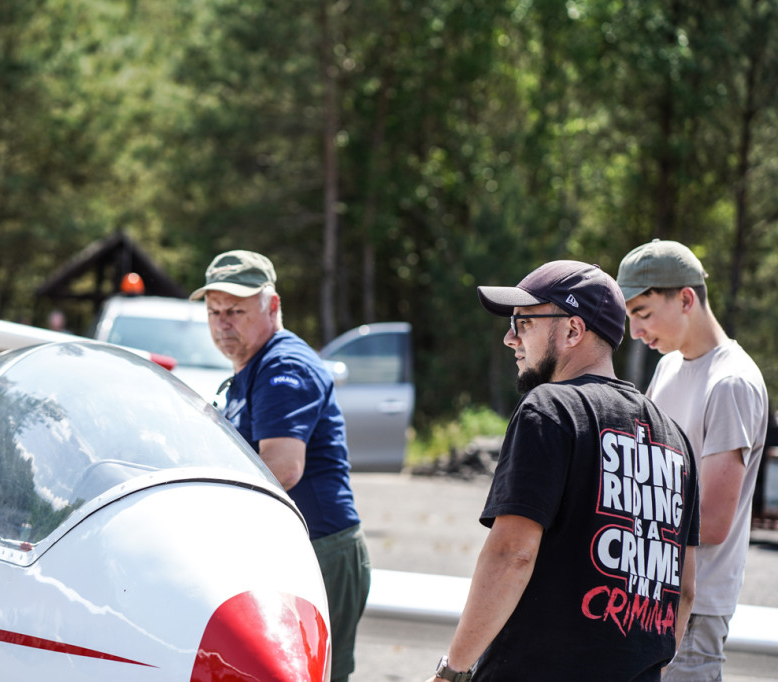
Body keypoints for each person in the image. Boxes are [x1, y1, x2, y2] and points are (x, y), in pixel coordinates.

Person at [426, 260, 700, 682]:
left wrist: (454, 671)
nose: (509, 338)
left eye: (524, 322)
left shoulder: (551, 408)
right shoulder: (676, 442)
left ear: (573, 330)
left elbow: (512, 554)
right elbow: (682, 592)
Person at [190, 250, 371, 682]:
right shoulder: (253, 368)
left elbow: (282, 468)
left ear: (272, 306)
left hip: (320, 548)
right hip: (291, 546)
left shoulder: (282, 365)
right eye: (213, 311)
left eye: (235, 310)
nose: (222, 322)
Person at [617, 239, 768, 680]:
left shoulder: (732, 382)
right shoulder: (669, 367)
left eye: (643, 314)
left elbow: (713, 522)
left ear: (686, 298)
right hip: (645, 596)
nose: (637, 333)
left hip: (693, 610)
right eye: (630, 319)